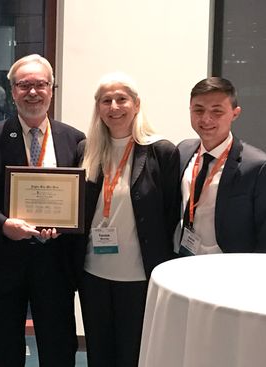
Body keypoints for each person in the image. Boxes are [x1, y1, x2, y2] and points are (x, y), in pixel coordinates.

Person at [0, 54, 85, 367]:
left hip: (56, 265)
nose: (33, 92)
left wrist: (67, 222)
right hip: (4, 262)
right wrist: (3, 225)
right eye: (24, 85)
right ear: (13, 91)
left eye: (40, 84)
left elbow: (83, 200)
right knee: (5, 352)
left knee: (59, 350)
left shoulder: (75, 140)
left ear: (52, 89)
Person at [78, 72, 179, 367]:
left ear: (136, 104)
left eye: (121, 99)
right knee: (98, 352)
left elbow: (171, 213)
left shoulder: (161, 152)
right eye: (106, 100)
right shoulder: (87, 151)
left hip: (139, 276)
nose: (114, 106)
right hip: (93, 273)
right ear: (98, 107)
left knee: (132, 354)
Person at [176, 77, 266, 255]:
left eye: (217, 112)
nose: (206, 119)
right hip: (184, 262)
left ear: (235, 113)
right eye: (198, 110)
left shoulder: (261, 167)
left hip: (231, 271)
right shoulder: (183, 151)